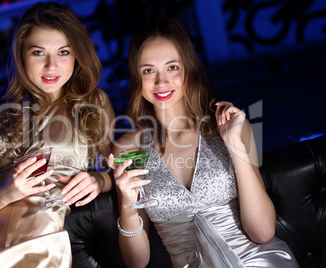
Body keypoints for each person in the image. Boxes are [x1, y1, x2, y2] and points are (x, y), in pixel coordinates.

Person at [108, 18, 298, 268]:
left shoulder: (228, 128)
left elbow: (262, 233)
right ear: (136, 78)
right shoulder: (128, 148)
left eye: (172, 67)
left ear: (188, 69)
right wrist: (126, 201)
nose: (161, 81)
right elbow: (137, 262)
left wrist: (235, 146)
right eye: (148, 70)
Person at [0, 2, 115, 267]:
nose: (51, 65)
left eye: (63, 52)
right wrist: (8, 192)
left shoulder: (94, 104)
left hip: (41, 248)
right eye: (38, 52)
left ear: (77, 56)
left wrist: (98, 180)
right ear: (20, 55)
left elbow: (115, 171)